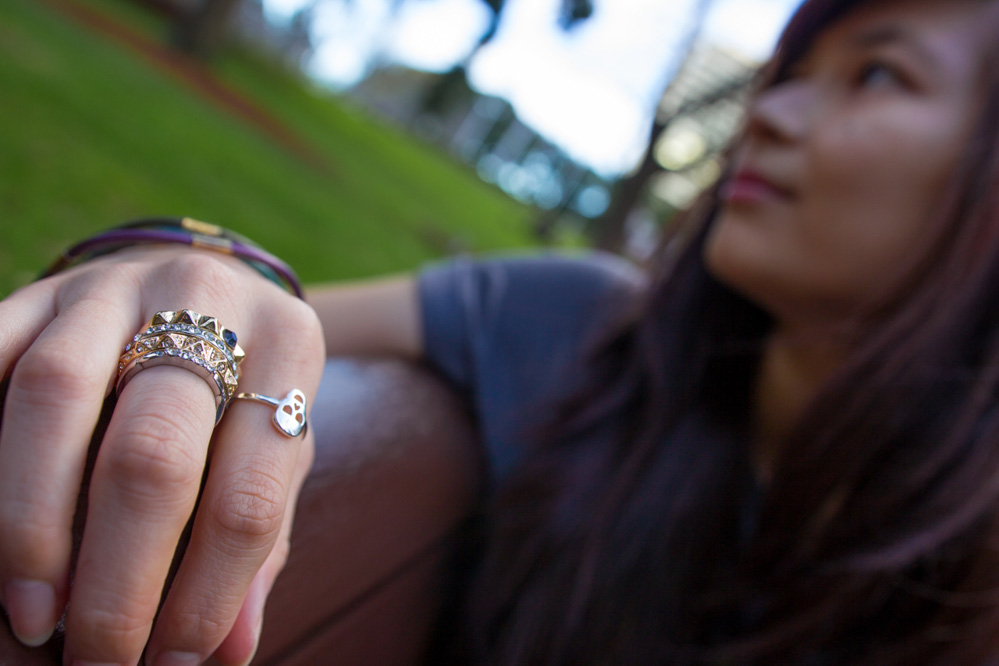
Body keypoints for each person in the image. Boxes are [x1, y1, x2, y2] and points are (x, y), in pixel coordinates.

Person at [2, 0, 999, 663]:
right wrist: (195, 283)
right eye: (789, 69)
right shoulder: (575, 328)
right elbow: (275, 312)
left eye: (875, 76)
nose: (771, 111)